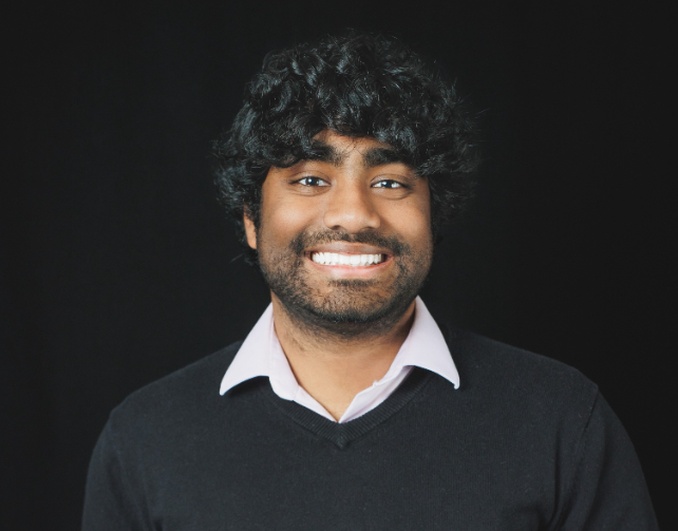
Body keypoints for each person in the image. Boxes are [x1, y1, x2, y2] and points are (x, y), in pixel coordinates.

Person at [82, 31, 659, 530]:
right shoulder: (144, 440)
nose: (354, 215)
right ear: (252, 221)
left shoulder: (562, 420)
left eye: (390, 182)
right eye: (310, 179)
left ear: (433, 217)